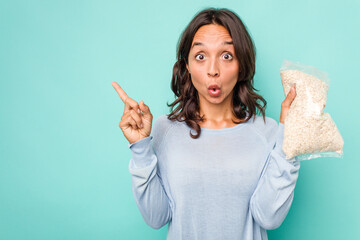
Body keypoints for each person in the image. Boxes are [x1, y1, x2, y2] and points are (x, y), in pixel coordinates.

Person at [112, 7, 300, 240]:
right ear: (187, 66)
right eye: (201, 56)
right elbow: (155, 218)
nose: (213, 70)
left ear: (242, 64)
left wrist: (289, 142)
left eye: (226, 56)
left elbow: (269, 218)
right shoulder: (165, 130)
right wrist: (140, 148)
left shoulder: (268, 131)